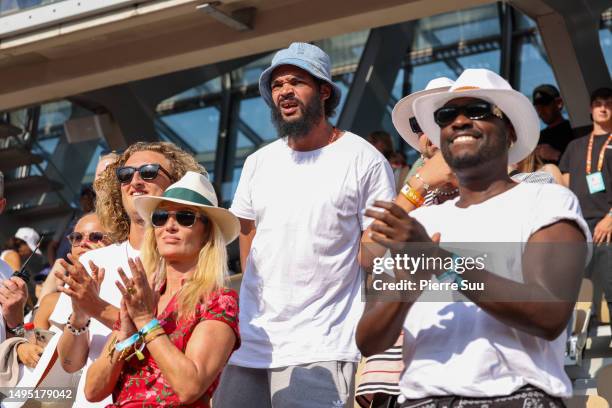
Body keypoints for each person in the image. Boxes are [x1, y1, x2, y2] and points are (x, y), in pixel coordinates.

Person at [357, 69, 590, 408]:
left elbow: (549, 314)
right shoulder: (419, 222)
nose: (460, 121)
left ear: (509, 129)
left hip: (513, 397)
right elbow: (369, 341)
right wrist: (406, 289)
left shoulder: (548, 202)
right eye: (447, 115)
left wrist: (441, 261)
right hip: (421, 399)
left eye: (478, 110)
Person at [214, 42, 396, 408]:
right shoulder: (258, 162)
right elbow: (249, 241)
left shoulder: (364, 159)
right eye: (277, 85)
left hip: (323, 343)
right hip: (251, 342)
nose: (284, 91)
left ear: (324, 91)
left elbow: (378, 259)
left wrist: (378, 357)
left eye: (296, 81)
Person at [51, 141, 204, 407]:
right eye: (125, 175)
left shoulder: (191, 265)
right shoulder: (91, 263)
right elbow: (70, 364)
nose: (135, 180)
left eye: (148, 172)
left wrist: (96, 306)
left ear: (176, 182)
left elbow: (182, 356)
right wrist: (79, 316)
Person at [85, 171, 240, 407]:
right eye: (160, 217)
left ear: (207, 231)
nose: (170, 225)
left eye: (185, 217)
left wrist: (146, 322)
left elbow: (189, 387)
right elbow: (93, 391)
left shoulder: (219, 300)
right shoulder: (144, 296)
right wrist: (124, 333)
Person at [355, 78, 459, 408]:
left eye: (441, 118)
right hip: (390, 369)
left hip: (457, 361)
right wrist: (418, 186)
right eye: (420, 125)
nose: (427, 134)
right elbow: (367, 252)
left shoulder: (496, 192)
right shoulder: (412, 194)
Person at [559, 86, 612, 327]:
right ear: (591, 109)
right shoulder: (575, 146)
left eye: (609, 103)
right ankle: (577, 340)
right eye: (598, 103)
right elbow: (565, 186)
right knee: (578, 286)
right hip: (580, 223)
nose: (603, 108)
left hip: (607, 221)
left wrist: (610, 218)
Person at [34, 212, 112, 329]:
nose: (83, 243)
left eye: (95, 237)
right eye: (77, 237)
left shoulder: (126, 290)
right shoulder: (51, 302)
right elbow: (34, 345)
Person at [533, 84, 575, 165]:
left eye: (545, 105)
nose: (541, 110)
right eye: (538, 107)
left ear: (559, 103)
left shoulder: (574, 131)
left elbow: (583, 165)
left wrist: (556, 155)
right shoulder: (538, 137)